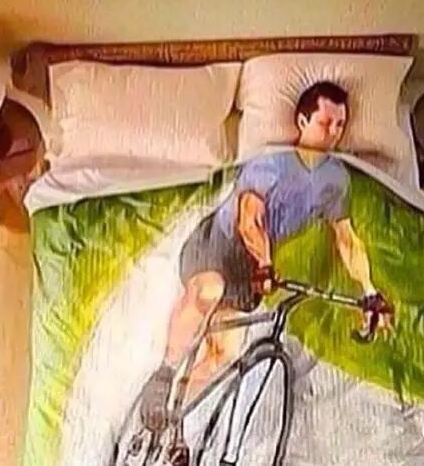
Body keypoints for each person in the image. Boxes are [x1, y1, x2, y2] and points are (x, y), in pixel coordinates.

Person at [140, 81, 390, 437]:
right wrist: (266, 264)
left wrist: (369, 290)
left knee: (223, 353)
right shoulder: (272, 163)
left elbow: (346, 239)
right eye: (325, 123)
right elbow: (249, 219)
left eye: (340, 125)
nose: (333, 133)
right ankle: (163, 375)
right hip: (220, 245)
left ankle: (173, 421)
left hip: (253, 271)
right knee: (210, 289)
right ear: (302, 122)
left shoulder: (336, 180)